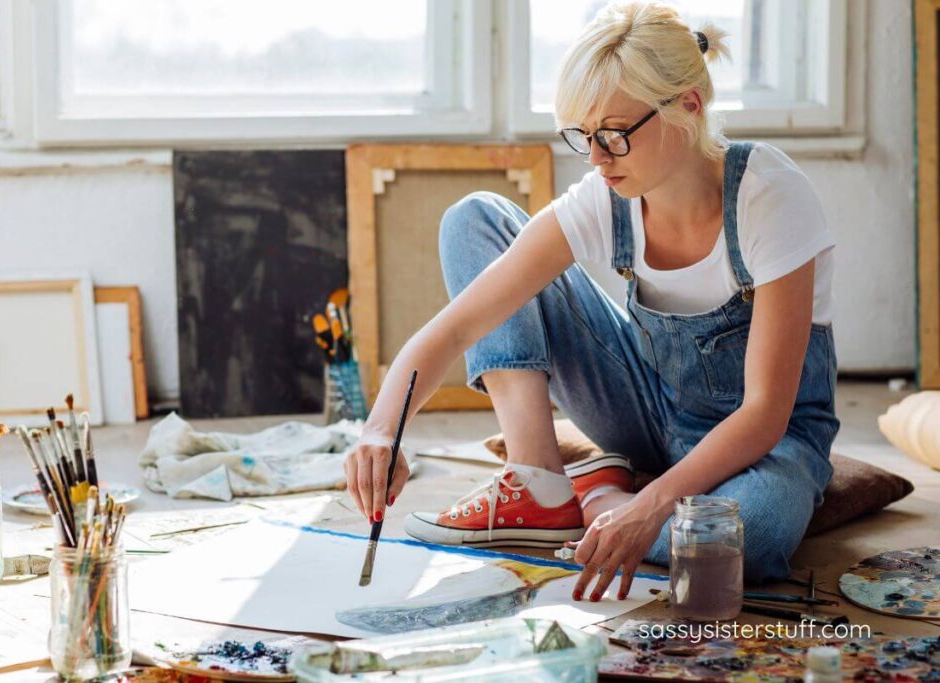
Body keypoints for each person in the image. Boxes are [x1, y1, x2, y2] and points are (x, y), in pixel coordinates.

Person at [343, 0, 839, 602]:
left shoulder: (768, 196)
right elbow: (455, 329)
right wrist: (379, 430)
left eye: (614, 135)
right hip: (652, 412)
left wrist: (645, 506)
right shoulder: (606, 197)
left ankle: (602, 493)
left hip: (772, 440)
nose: (598, 158)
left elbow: (763, 414)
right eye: (583, 136)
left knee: (746, 540)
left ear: (688, 104)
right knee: (477, 217)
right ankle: (539, 485)